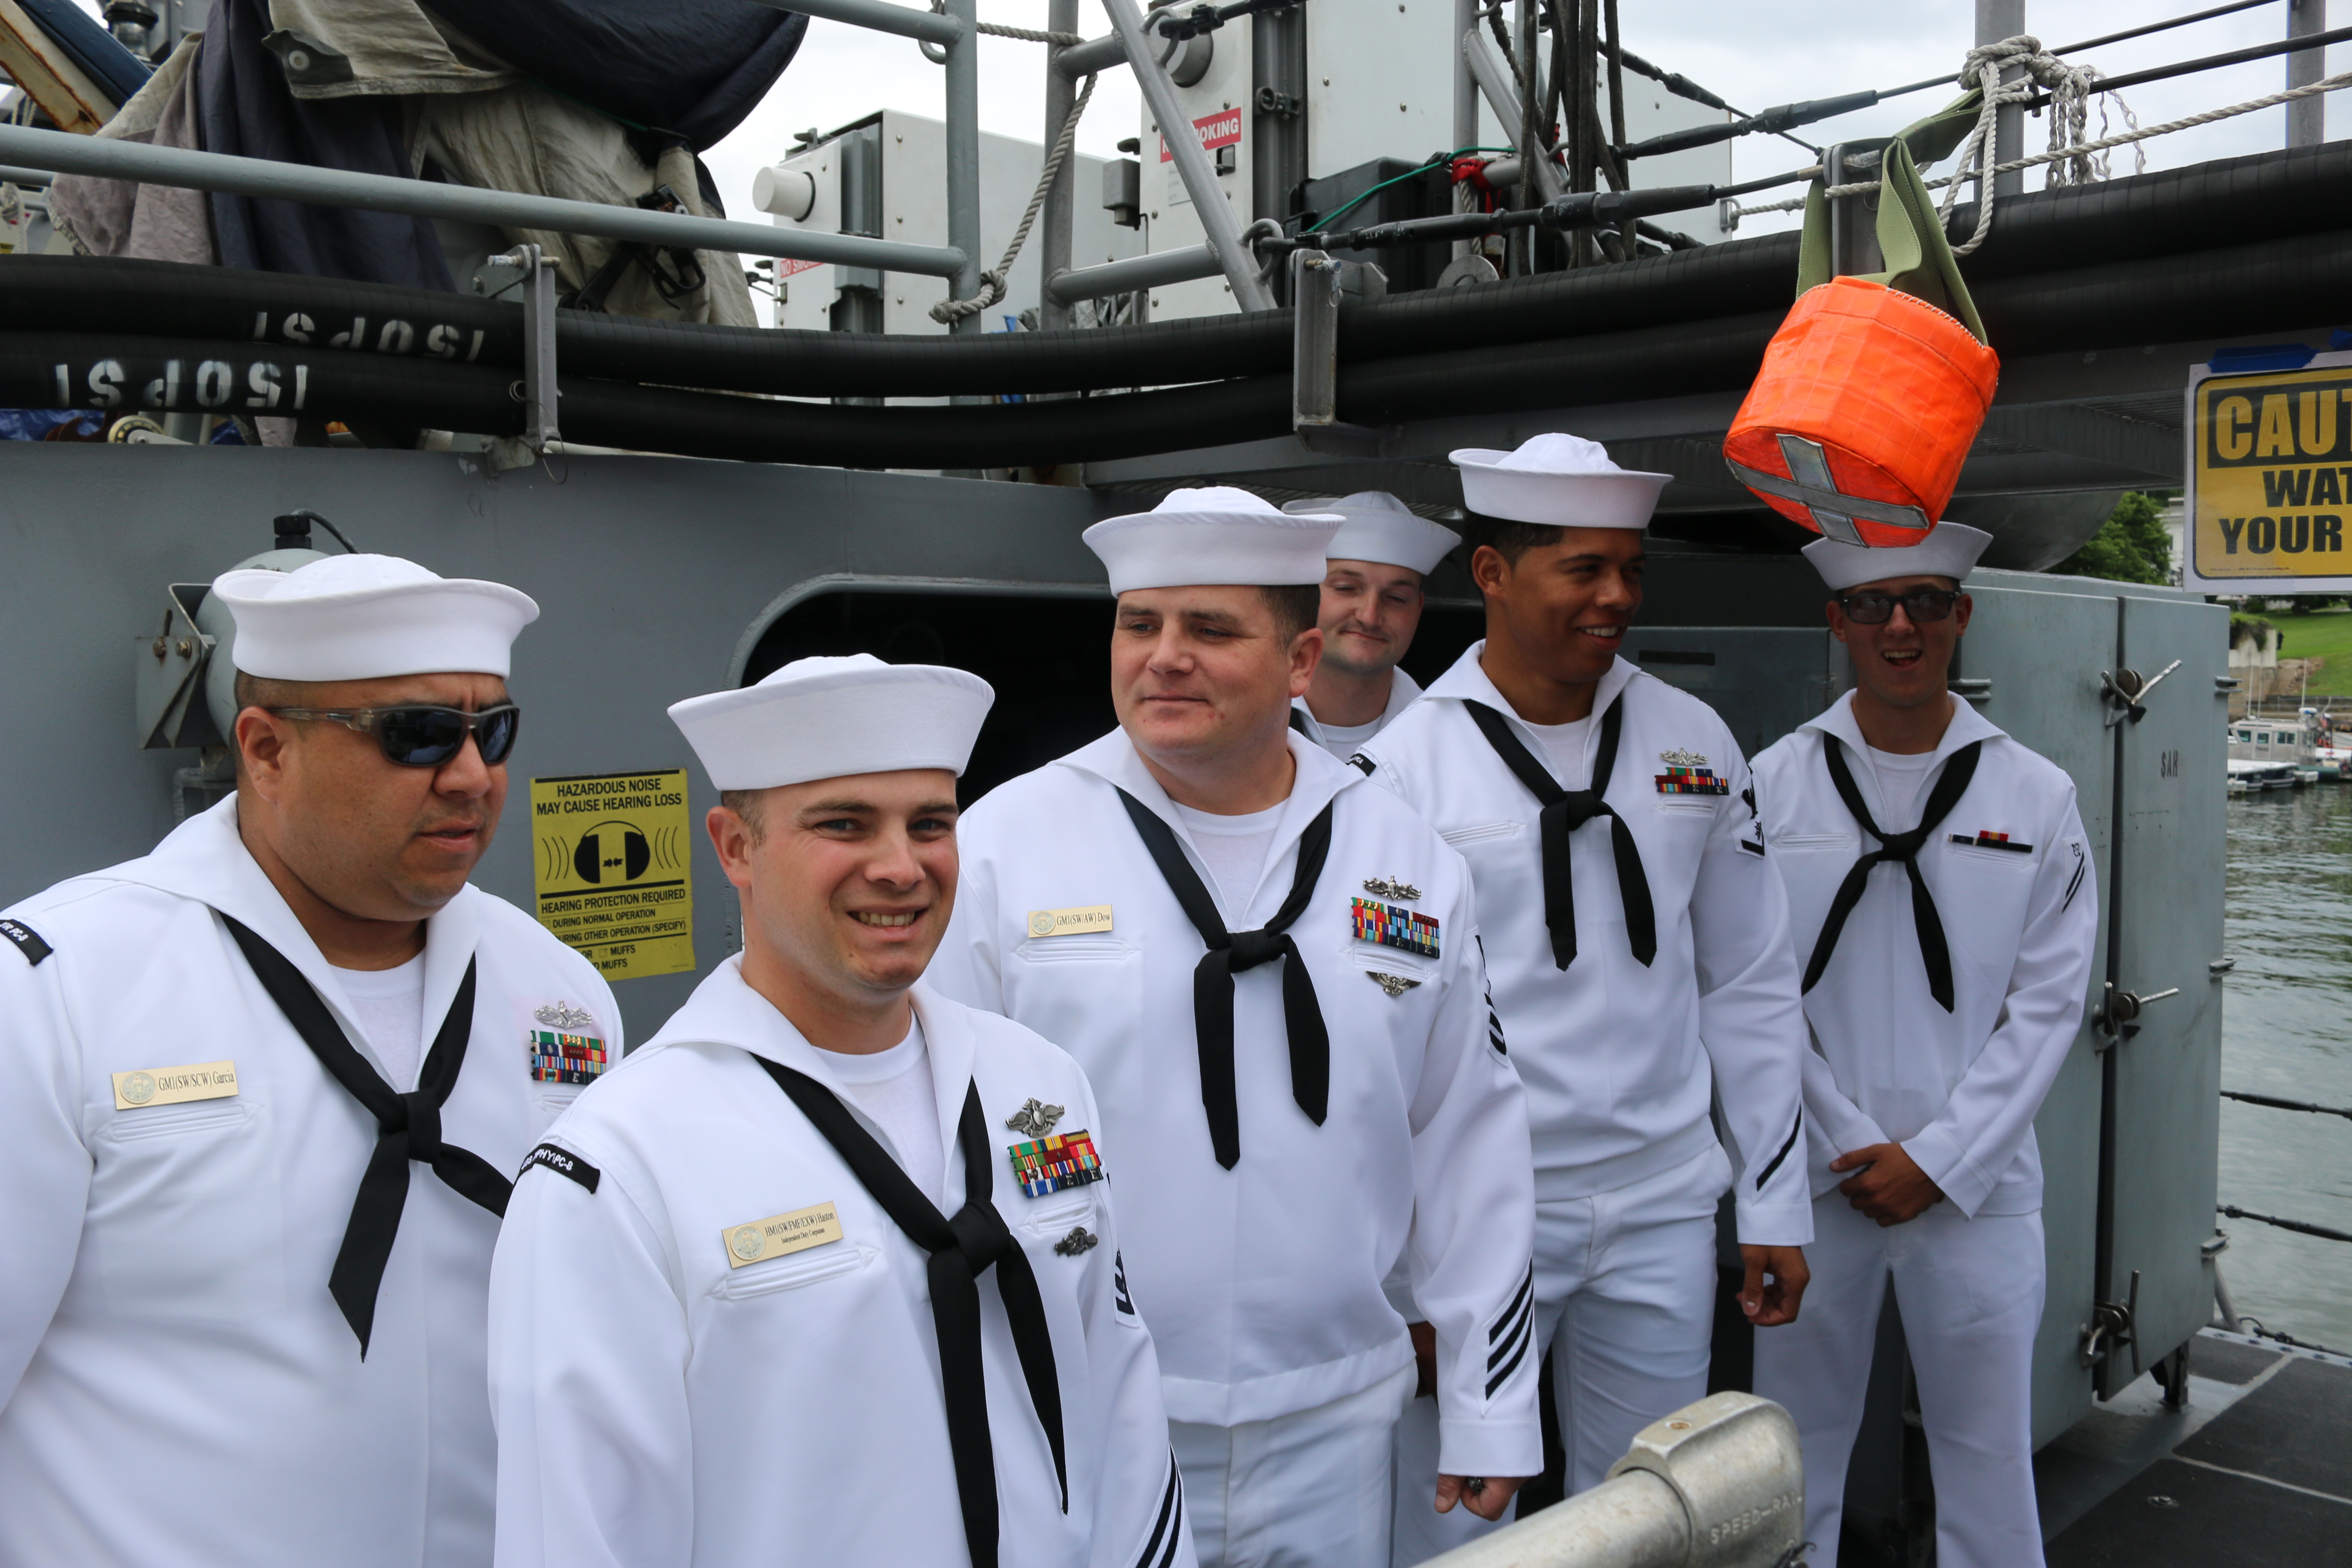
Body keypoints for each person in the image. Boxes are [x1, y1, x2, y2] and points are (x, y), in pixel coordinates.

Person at [927, 489, 1541, 1568]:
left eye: (1208, 629)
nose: (1164, 657)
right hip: (1082, 1411)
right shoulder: (1004, 847)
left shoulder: (1399, 855)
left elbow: (1468, 1137)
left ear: (1301, 657)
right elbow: (926, 1132)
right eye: (1139, 624)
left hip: (1338, 1415)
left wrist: (1490, 1397)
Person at [488, 654, 1194, 1568]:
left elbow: (1123, 1407)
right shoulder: (620, 1168)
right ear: (733, 847)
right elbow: (581, 1532)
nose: (900, 867)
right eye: (845, 825)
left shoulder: (1037, 1084)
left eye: (929, 824)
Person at [0, 552, 616, 1568]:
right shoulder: (60, 991)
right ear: (265, 748)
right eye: (416, 734)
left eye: (491, 731)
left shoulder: (557, 997)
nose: (469, 775)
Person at [1354, 433, 1813, 1562]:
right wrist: (1395, 1273)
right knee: (1454, 1524)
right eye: (1584, 570)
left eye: (1631, 569)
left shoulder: (1692, 742)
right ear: (1495, 576)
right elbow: (1374, 1039)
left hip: (1660, 1200)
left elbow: (1748, 981)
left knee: (1658, 1511)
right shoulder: (1403, 774)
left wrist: (1772, 1201)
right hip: (1479, 1219)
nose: (1618, 597)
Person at [1748, 524, 2096, 1568]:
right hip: (1816, 1183)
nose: (1898, 626)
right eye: (1870, 606)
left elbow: (2048, 1004)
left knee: (1986, 1463)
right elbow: (1751, 994)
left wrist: (1939, 1160)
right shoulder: (1771, 787)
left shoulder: (2035, 796)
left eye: (1923, 601)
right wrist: (1847, 1143)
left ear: (1961, 615)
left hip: (1976, 1191)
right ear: (1836, 622)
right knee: (1788, 1457)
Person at [1277, 492, 1461, 762]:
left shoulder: (1455, 738)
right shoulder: (1243, 721)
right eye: (1346, 589)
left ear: (1419, 608)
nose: (1370, 616)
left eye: (1396, 598)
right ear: (1301, 596)